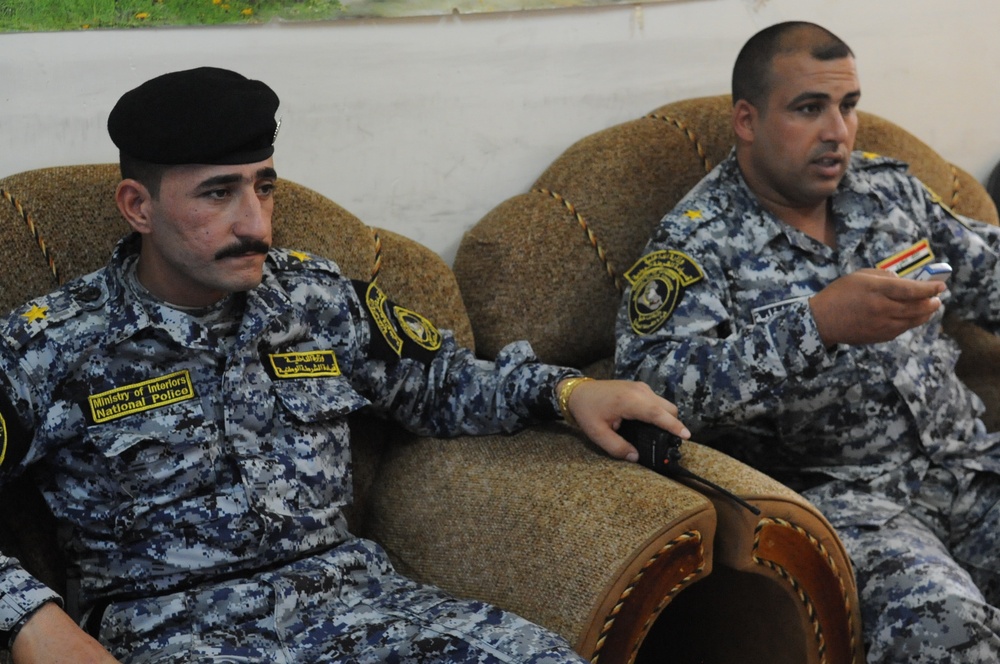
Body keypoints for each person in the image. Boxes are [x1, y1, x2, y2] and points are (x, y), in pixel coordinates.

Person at [0, 67, 692, 664]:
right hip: (177, 630)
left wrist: (568, 391)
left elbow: (442, 384)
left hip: (360, 608)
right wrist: (32, 619)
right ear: (138, 207)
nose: (257, 225)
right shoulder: (55, 343)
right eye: (218, 193)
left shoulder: (315, 297)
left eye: (264, 188)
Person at [614, 21, 1000, 664]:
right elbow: (647, 392)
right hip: (849, 504)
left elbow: (991, 276)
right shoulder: (696, 242)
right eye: (809, 109)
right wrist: (814, 325)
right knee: (948, 633)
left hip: (970, 464)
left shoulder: (889, 192)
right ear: (747, 119)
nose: (838, 132)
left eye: (848, 106)